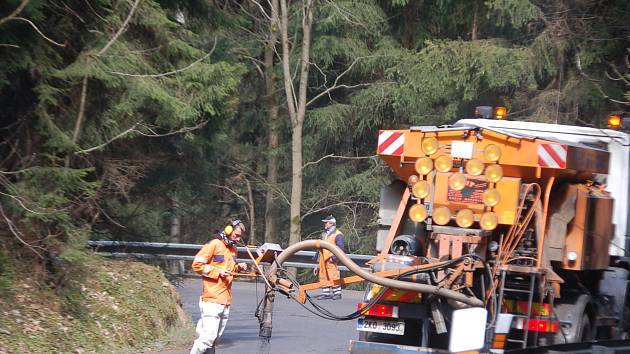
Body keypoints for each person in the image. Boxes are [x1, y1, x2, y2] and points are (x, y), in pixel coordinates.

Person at [190, 220, 248, 354]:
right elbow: (196, 265)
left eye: (240, 236)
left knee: (214, 339)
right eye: (237, 235)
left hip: (225, 300)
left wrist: (238, 268)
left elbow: (230, 271)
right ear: (229, 230)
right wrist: (217, 272)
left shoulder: (233, 250)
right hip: (212, 299)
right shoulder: (215, 244)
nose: (238, 239)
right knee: (207, 339)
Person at [313, 215, 345, 300]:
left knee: (333, 275)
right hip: (323, 259)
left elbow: (340, 248)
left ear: (331, 223)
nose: (325, 224)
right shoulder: (325, 234)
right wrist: (318, 260)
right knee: (323, 275)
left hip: (331, 259)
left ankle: (337, 293)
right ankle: (325, 293)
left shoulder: (338, 234)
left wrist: (334, 258)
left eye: (326, 223)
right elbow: (320, 247)